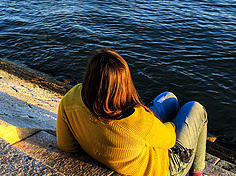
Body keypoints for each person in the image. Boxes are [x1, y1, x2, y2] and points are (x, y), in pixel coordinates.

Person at [57, 48, 207, 176]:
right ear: (124, 83)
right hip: (164, 167)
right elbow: (170, 140)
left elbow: (65, 145)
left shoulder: (71, 98)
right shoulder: (137, 121)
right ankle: (197, 172)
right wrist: (170, 125)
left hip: (133, 139)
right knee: (195, 108)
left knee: (170, 98)